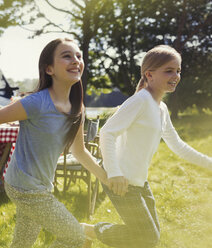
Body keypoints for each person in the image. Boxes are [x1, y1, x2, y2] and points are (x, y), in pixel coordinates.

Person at [0, 38, 108, 248]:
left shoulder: (76, 108)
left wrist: (105, 178)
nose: (76, 60)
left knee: (23, 243)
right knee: (75, 237)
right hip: (25, 186)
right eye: (67, 56)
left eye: (78, 56)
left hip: (41, 185)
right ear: (49, 69)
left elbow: (79, 151)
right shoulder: (37, 102)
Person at [84, 45, 212, 248]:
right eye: (169, 70)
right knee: (147, 239)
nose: (176, 75)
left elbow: (177, 145)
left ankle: (90, 232)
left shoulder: (161, 108)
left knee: (148, 238)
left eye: (178, 70)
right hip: (121, 182)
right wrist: (114, 173)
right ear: (149, 75)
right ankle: (88, 231)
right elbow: (107, 132)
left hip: (139, 183)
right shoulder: (140, 101)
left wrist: (209, 164)